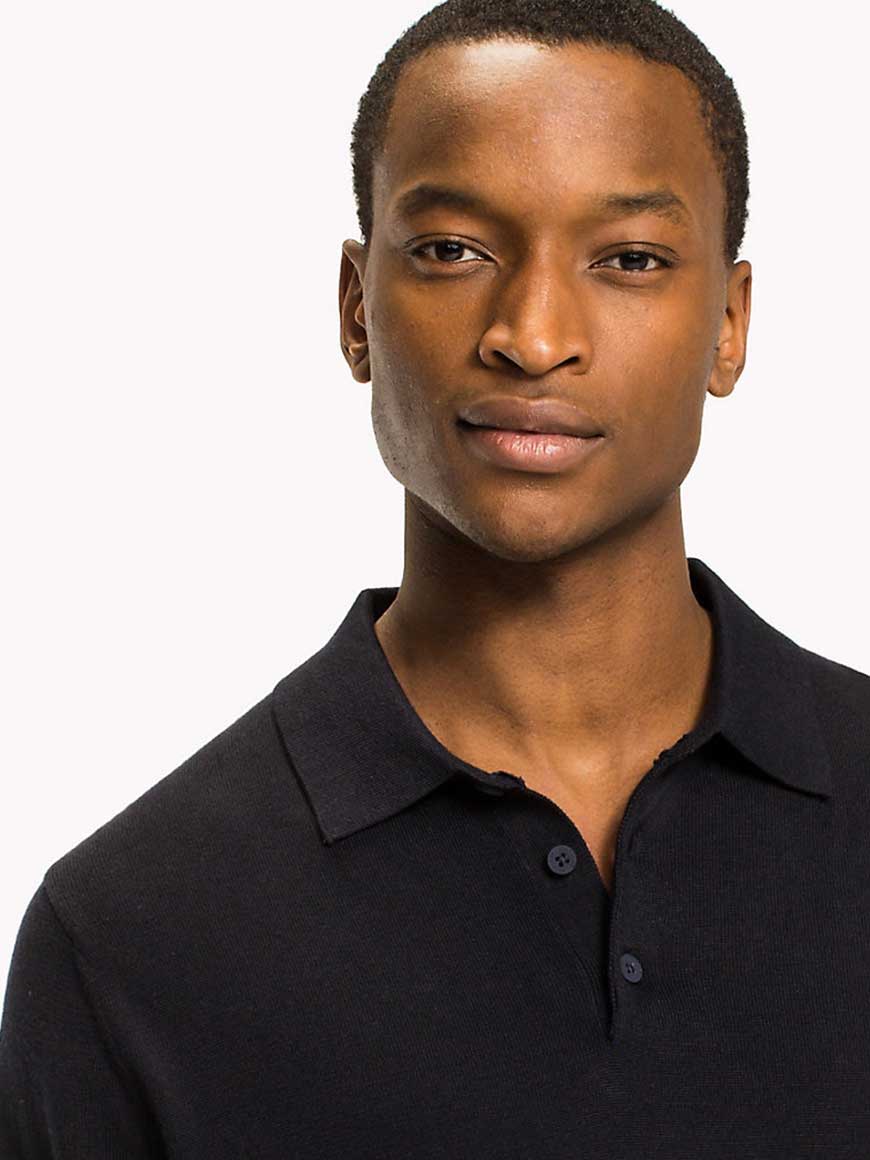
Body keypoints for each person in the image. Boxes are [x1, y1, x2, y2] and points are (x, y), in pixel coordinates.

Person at [2, 0, 869, 1155]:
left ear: (729, 322)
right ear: (357, 308)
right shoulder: (128, 938)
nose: (534, 334)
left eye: (629, 259)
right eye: (454, 249)